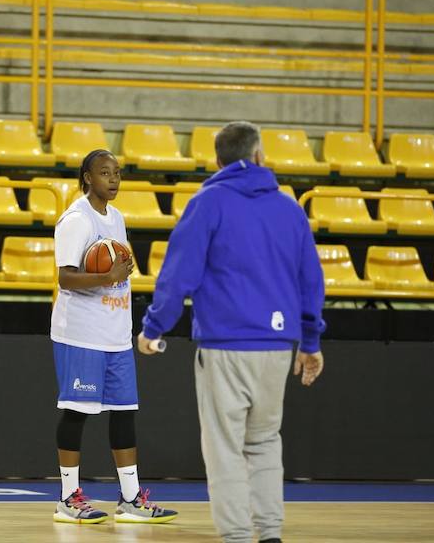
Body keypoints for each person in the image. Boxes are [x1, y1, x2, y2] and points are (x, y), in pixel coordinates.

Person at [137, 121, 325, 543]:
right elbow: (311, 280)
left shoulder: (207, 203)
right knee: (264, 441)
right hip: (277, 347)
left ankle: (238, 536)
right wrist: (310, 342)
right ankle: (270, 533)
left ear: (217, 160)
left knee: (224, 447)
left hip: (224, 345)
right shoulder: (289, 208)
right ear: (259, 155)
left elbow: (178, 275)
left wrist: (153, 328)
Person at [50, 149, 177, 525]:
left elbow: (116, 272)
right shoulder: (76, 219)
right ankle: (68, 498)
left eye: (117, 173)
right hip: (81, 334)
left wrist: (117, 275)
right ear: (87, 178)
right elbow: (65, 278)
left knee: (124, 413)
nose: (114, 179)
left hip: (116, 334)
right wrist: (107, 276)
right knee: (76, 412)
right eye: (105, 173)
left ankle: (131, 499)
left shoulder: (117, 217)